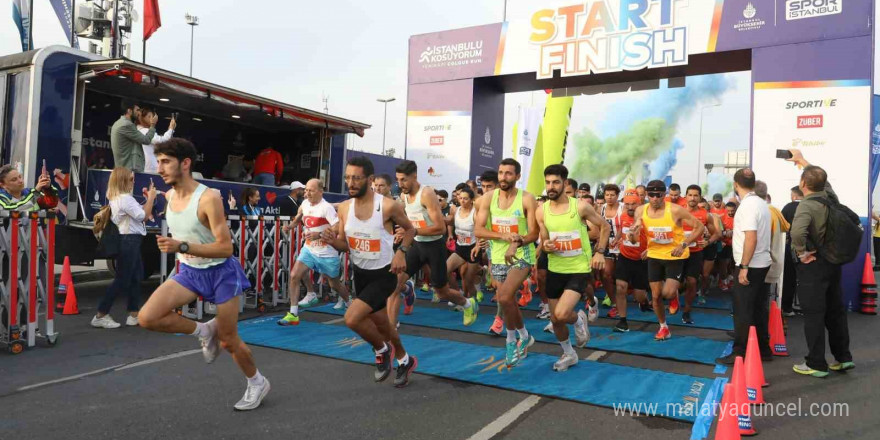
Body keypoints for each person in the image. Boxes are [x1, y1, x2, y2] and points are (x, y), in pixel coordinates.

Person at [138, 138, 269, 411]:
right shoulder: (170, 195)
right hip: (189, 271)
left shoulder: (208, 198)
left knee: (229, 340)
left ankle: (257, 382)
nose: (159, 168)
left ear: (185, 164)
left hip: (221, 273)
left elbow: (225, 247)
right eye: (158, 161)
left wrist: (181, 246)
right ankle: (204, 329)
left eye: (165, 162)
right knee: (148, 317)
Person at [321, 156, 418, 387]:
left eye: (356, 178)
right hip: (361, 273)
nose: (350, 183)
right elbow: (346, 244)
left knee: (352, 318)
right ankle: (405, 360)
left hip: (385, 274)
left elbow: (410, 229)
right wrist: (333, 242)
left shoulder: (387, 206)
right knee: (384, 325)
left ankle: (382, 350)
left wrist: (401, 252)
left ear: (370, 179)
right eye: (347, 178)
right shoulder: (344, 208)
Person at [786, 149, 854, 377]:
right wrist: (802, 160)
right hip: (833, 262)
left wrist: (802, 252)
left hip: (814, 266)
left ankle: (816, 363)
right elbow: (821, 179)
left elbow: (797, 232)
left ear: (803, 183)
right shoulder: (829, 196)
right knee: (835, 311)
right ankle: (843, 358)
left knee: (814, 314)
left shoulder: (806, 204)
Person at [388, 161, 478, 327]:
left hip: (434, 247)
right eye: (398, 180)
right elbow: (413, 220)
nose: (400, 184)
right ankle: (391, 331)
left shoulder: (426, 194)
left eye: (404, 180)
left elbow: (440, 228)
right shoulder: (404, 195)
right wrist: (405, 229)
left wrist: (413, 230)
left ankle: (467, 303)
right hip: (416, 246)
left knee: (441, 292)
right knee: (394, 284)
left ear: (414, 176)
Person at [537, 164, 608, 371]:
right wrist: (546, 246)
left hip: (578, 267)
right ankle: (569, 354)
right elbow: (544, 239)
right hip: (555, 268)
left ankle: (578, 319)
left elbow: (605, 226)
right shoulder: (541, 211)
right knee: (555, 319)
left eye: (556, 182)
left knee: (560, 314)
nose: (551, 187)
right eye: (548, 182)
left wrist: (600, 251)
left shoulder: (580, 207)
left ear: (565, 183)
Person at [474, 158, 539, 367]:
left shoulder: (527, 199)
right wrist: (504, 237)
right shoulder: (488, 198)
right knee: (506, 300)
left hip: (522, 256)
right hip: (499, 255)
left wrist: (517, 240)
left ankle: (510, 341)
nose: (503, 177)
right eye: (501, 173)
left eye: (508, 173)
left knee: (503, 296)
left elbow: (534, 232)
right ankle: (525, 336)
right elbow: (478, 230)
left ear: (517, 176)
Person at [626, 180, 703, 341]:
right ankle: (663, 327)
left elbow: (699, 227)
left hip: (674, 256)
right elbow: (634, 240)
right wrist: (632, 233)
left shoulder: (675, 210)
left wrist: (684, 244)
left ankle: (674, 294)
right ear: (647, 195)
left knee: (667, 293)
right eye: (652, 195)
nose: (655, 198)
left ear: (664, 195)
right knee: (655, 296)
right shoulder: (641, 210)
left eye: (659, 195)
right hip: (654, 255)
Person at [715, 168, 773, 365]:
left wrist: (744, 266)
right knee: (757, 308)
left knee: (742, 310)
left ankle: (739, 352)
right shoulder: (762, 203)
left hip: (751, 264)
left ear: (735, 184)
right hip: (761, 262)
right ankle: (763, 349)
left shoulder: (748, 206)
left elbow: (751, 237)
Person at [277, 179, 352, 325]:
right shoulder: (304, 203)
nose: (307, 193)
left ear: (320, 191)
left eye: (311, 190)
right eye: (306, 190)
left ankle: (349, 302)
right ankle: (293, 313)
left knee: (334, 285)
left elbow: (337, 227)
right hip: (309, 249)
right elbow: (299, 216)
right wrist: (291, 226)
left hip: (326, 252)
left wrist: (319, 234)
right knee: (294, 275)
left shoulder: (326, 207)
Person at [90, 167, 157, 329]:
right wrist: (151, 199)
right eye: (132, 179)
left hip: (129, 239)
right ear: (123, 181)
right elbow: (143, 216)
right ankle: (101, 314)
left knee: (135, 276)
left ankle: (133, 314)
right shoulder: (125, 199)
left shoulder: (116, 197)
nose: (134, 181)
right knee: (123, 278)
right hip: (129, 240)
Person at [612, 190, 651, 332]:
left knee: (639, 295)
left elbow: (655, 236)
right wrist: (617, 238)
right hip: (624, 257)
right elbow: (621, 230)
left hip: (641, 260)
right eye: (627, 204)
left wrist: (650, 249)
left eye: (633, 204)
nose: (630, 207)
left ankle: (644, 301)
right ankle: (622, 321)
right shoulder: (623, 216)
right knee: (620, 287)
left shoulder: (647, 218)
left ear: (639, 204)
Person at [681, 185, 720, 324]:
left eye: (695, 195)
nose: (692, 198)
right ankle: (674, 300)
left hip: (695, 253)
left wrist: (708, 242)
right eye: (690, 195)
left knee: (692, 282)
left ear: (700, 197)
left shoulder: (705, 214)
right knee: (674, 286)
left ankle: (686, 311)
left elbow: (717, 233)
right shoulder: (677, 211)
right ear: (685, 196)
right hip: (677, 253)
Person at [446, 187, 483, 302]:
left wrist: (478, 246)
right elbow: (451, 222)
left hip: (473, 249)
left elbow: (480, 231)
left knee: (468, 281)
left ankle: (473, 303)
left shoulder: (475, 213)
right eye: (460, 198)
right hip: (460, 248)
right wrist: (450, 234)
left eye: (465, 199)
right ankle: (458, 293)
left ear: (472, 200)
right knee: (444, 270)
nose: (462, 201)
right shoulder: (455, 210)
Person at [110, 101, 157, 172]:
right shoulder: (127, 125)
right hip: (127, 171)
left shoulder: (118, 123)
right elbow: (146, 140)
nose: (139, 113)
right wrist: (153, 125)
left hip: (122, 170)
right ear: (129, 111)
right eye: (137, 110)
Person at [600, 184, 622, 316]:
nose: (609, 197)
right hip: (607, 245)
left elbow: (627, 224)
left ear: (617, 196)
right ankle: (614, 303)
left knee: (621, 278)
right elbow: (599, 227)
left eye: (612, 195)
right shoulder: (601, 208)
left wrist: (619, 238)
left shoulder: (623, 208)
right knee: (606, 274)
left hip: (622, 245)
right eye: (607, 195)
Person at [781, 186, 804, 316]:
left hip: (790, 248)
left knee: (789, 278)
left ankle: (787, 307)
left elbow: (782, 227)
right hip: (808, 250)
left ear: (794, 196)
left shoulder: (788, 207)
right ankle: (805, 307)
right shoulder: (810, 206)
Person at [138, 107, 176, 173]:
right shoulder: (144, 131)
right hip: (149, 168)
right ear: (142, 118)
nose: (151, 119)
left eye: (152, 117)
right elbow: (161, 141)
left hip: (148, 166)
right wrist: (171, 129)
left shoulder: (141, 130)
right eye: (148, 117)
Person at [716, 202, 737, 291]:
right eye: (729, 210)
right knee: (723, 264)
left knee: (732, 265)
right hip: (725, 245)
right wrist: (724, 233)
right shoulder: (721, 217)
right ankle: (722, 281)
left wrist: (733, 232)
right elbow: (717, 232)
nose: (731, 212)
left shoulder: (739, 217)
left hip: (736, 245)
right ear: (725, 209)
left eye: (733, 211)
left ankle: (730, 279)